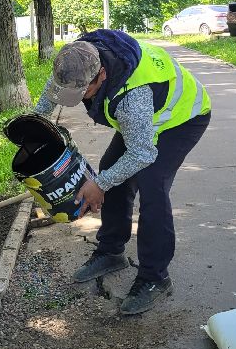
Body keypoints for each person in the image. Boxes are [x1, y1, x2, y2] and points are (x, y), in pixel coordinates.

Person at [34, 30, 210, 316]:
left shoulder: (132, 97)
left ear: (101, 75)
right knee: (110, 168)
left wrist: (99, 185)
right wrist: (36, 121)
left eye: (81, 93)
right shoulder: (78, 56)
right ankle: (111, 251)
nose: (75, 100)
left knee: (152, 186)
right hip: (145, 119)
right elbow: (55, 86)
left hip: (181, 118)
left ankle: (155, 278)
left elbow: (143, 153)